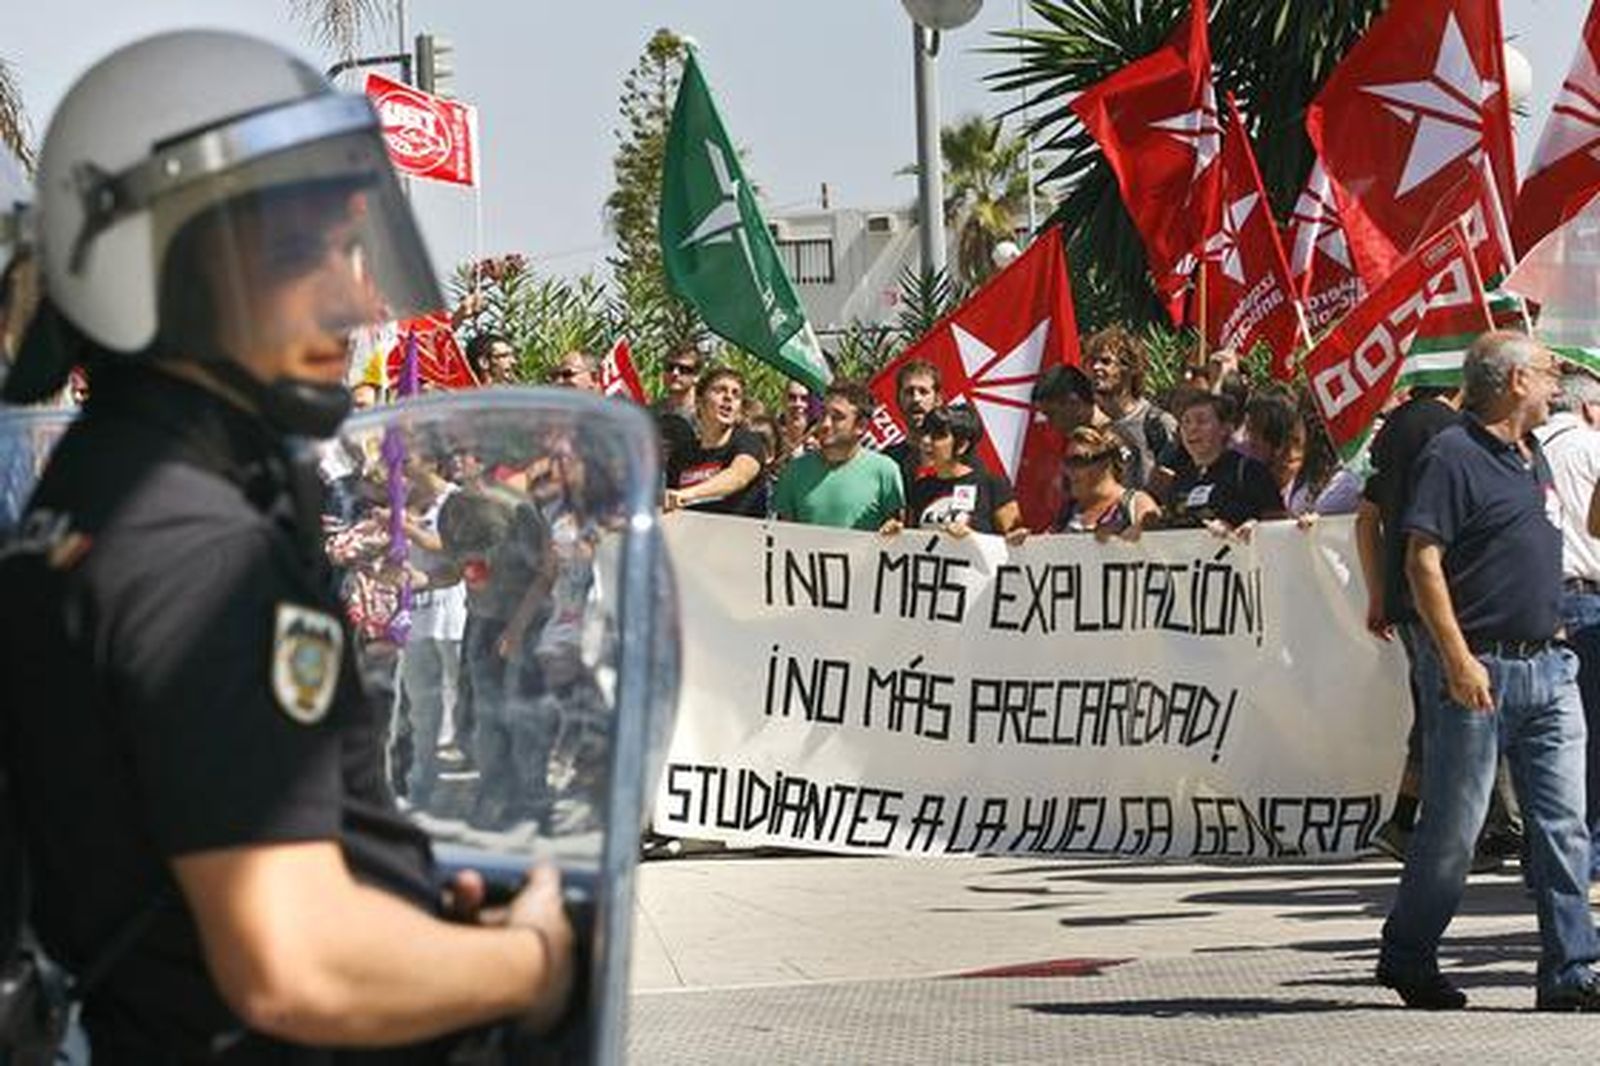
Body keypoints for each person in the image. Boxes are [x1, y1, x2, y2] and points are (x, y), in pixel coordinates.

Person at [0, 31, 573, 1060]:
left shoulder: (108, 488)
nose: (358, 301)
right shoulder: (193, 543)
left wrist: (413, 907)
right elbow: (295, 962)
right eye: (305, 251)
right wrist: (532, 961)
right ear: (162, 261)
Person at [1377, 332, 1600, 1012]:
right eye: (1542, 368)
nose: (1555, 376)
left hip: (1550, 667)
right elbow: (1422, 560)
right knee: (1453, 830)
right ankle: (1408, 956)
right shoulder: (1454, 454)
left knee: (1564, 826)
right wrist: (1455, 657)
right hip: (1481, 671)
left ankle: (1571, 970)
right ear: (1509, 382)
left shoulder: (1528, 455)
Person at [1357, 384, 1461, 860]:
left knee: (1432, 709)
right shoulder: (1452, 431)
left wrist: (1378, 592)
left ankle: (1405, 821)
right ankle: (1437, 829)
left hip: (1403, 595)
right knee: (1449, 714)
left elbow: (1366, 517)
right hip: (1442, 594)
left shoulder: (1394, 427)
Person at [1534, 370, 1600, 891]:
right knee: (1583, 741)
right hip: (1583, 599)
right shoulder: (1587, 445)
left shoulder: (1521, 448)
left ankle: (1547, 862)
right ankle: (1585, 861)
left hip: (1539, 598)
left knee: (1555, 746)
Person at [771, 379, 903, 531]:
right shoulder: (793, 472)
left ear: (861, 426)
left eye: (837, 417)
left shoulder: (885, 472)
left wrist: (893, 529)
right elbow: (780, 537)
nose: (826, 424)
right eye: (823, 414)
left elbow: (897, 531)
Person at [885, 404, 1024, 540]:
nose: (926, 441)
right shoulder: (921, 488)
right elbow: (911, 538)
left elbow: (1016, 543)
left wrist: (973, 539)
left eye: (938, 435)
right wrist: (896, 533)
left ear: (962, 445)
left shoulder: (993, 485)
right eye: (925, 433)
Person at [1158, 391, 1284, 534]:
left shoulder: (1250, 471)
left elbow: (1277, 523)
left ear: (1225, 428)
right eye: (1186, 421)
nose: (1192, 429)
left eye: (1201, 421)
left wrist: (1250, 527)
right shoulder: (1181, 478)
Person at [662, 366, 766, 517]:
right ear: (699, 402)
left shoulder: (749, 442)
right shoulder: (681, 455)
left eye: (736, 394)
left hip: (740, 537)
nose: (728, 397)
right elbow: (671, 502)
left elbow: (739, 476)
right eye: (720, 390)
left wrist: (687, 494)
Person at [1083, 326, 1175, 492]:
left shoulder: (1157, 423)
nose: (1096, 368)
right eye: (1092, 362)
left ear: (1131, 368)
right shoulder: (1086, 424)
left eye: (1105, 361)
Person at [1052, 425, 1160, 538]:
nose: (1069, 470)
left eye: (1078, 461)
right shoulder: (1068, 511)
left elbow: (1157, 551)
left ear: (1105, 463)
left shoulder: (1137, 505)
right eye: (1067, 462)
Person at [883, 360, 943, 489]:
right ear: (898, 400)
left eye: (923, 392)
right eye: (909, 392)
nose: (916, 399)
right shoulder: (888, 460)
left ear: (938, 399)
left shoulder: (958, 454)